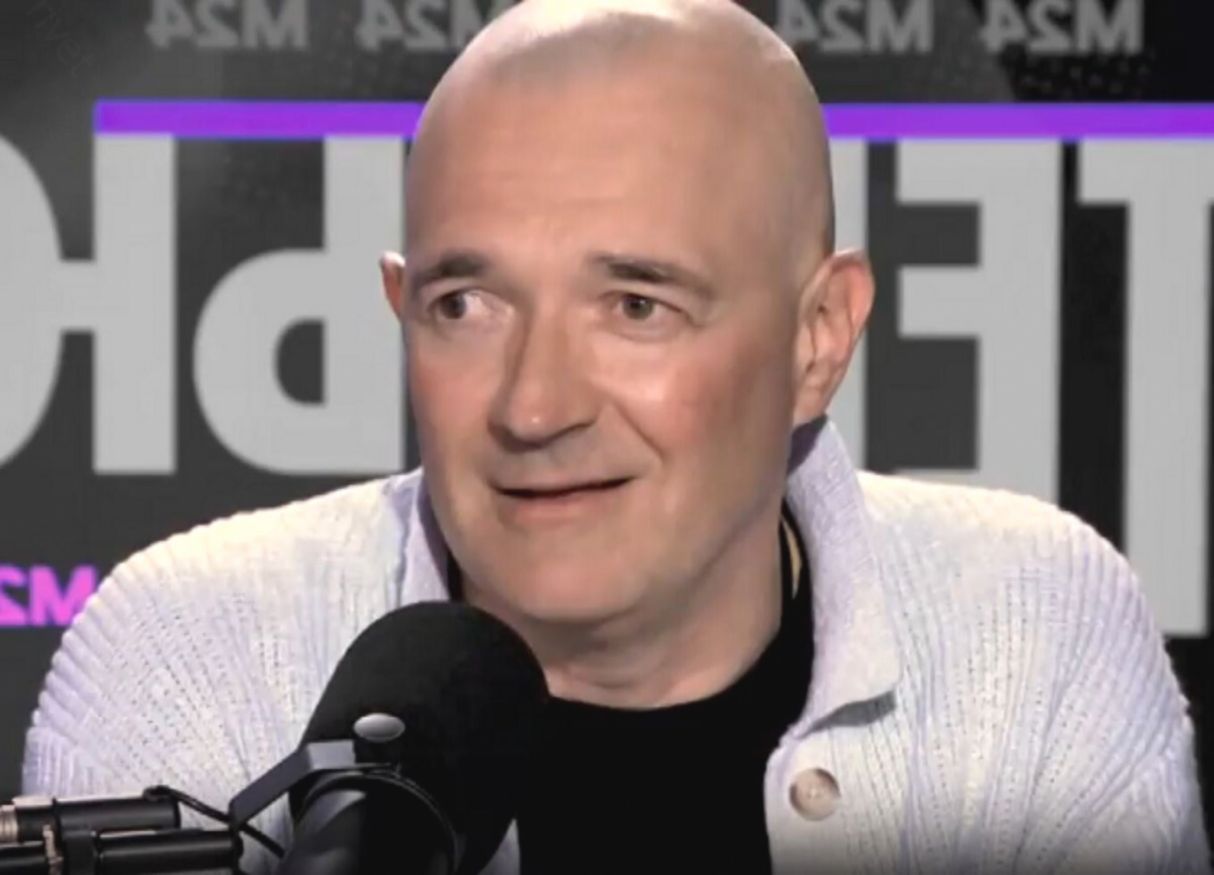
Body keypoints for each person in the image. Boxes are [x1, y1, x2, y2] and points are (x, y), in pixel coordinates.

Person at [21, 0, 1210, 872]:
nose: (533, 406)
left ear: (817, 339)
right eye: (464, 305)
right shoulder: (194, 651)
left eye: (636, 306)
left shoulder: (1031, 633)